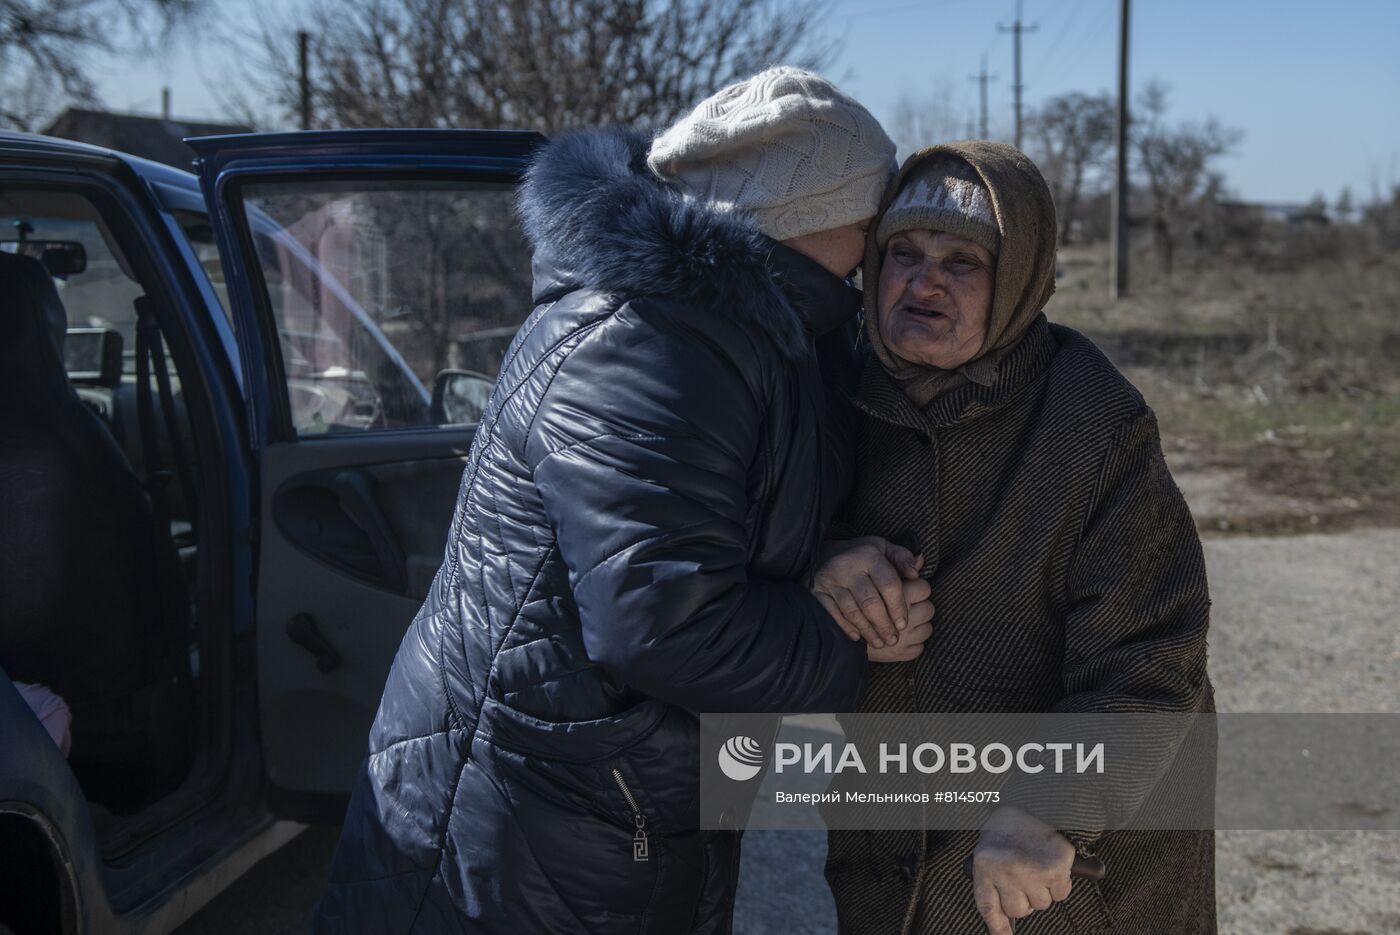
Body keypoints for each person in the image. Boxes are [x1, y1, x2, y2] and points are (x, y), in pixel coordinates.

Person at [314, 67, 935, 934]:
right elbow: (665, 626)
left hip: (608, 795)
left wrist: (827, 553)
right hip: (529, 822)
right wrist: (854, 634)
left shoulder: (738, 329)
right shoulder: (650, 339)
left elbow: (726, 512)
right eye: (869, 216)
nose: (877, 244)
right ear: (805, 213)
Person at [820, 142, 1216, 934]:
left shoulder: (1096, 423)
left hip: (1060, 870)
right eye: (904, 252)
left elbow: (1150, 656)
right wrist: (822, 558)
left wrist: (1053, 803)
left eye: (963, 261)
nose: (925, 280)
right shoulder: (825, 384)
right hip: (889, 844)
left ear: (1024, 276)